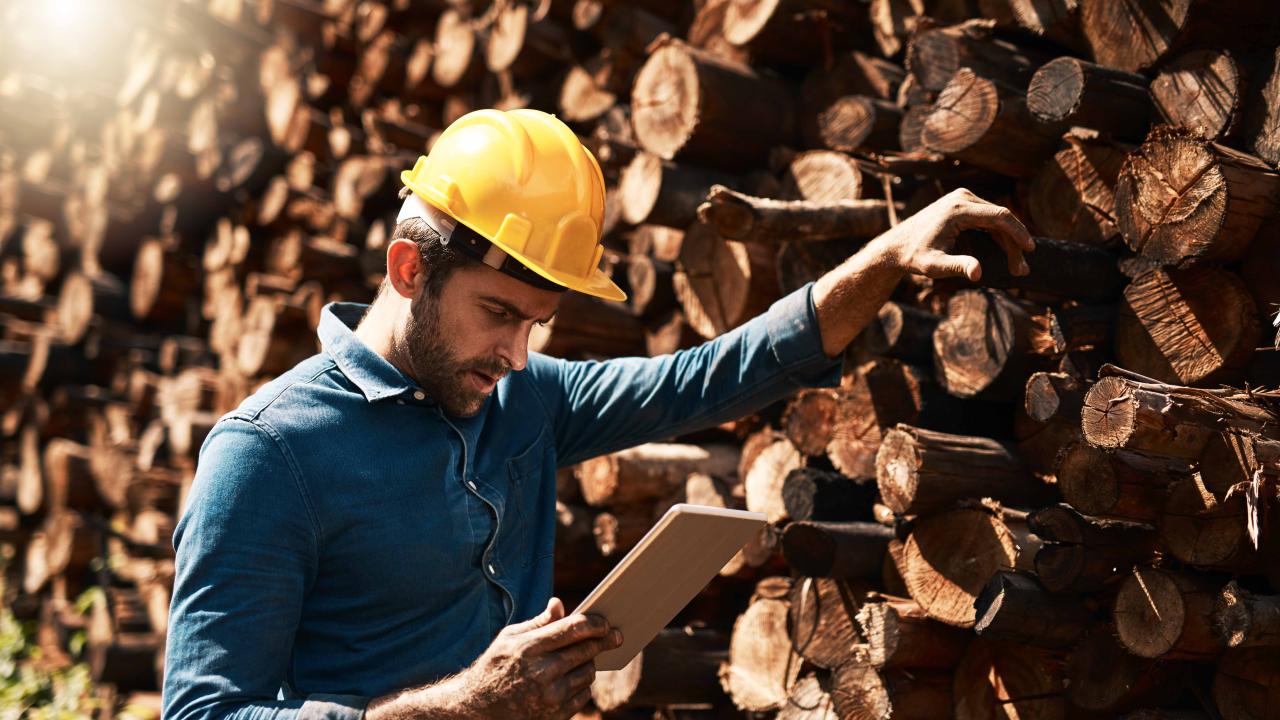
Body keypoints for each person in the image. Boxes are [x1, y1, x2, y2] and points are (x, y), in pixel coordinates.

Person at [161, 109, 1032, 720]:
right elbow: (203, 713)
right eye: (499, 313)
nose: (516, 355)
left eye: (537, 325)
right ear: (408, 270)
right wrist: (463, 708)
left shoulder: (523, 396)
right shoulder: (270, 455)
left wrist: (883, 258)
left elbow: (712, 377)